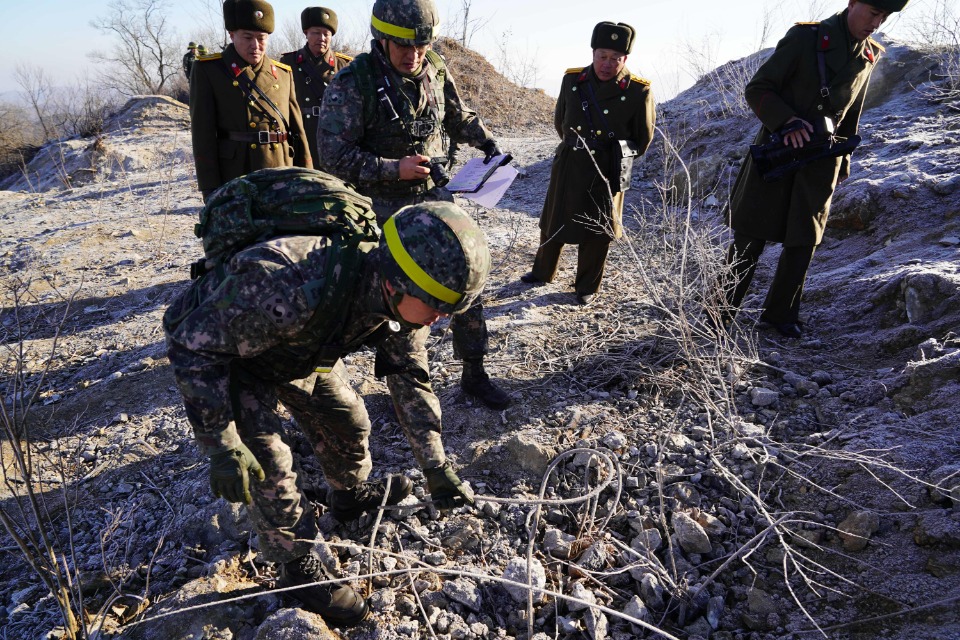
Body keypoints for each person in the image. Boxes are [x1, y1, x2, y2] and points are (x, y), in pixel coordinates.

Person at [164, 183, 487, 626]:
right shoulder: (287, 280)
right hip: (235, 361)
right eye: (436, 306)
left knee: (349, 422)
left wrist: (435, 465)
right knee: (271, 466)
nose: (441, 317)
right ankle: (295, 567)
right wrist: (220, 443)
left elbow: (410, 378)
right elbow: (189, 343)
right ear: (397, 283)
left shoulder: (403, 303)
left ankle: (348, 496)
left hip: (298, 352)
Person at [316, 0, 511, 410]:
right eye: (405, 46)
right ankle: (405, 389)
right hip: (380, 210)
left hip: (435, 200)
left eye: (422, 46)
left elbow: (457, 116)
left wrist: (487, 142)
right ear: (382, 40)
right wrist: (394, 169)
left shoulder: (434, 68)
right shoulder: (355, 82)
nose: (414, 55)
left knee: (467, 282)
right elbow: (333, 155)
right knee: (401, 304)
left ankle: (474, 372)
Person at [721, 0, 907, 338]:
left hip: (821, 160)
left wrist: (843, 160)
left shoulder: (869, 54)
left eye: (883, 17)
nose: (876, 23)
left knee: (803, 240)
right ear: (852, 3)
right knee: (750, 237)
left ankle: (781, 315)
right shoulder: (806, 38)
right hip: (778, 150)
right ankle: (720, 311)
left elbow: (851, 114)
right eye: (872, 13)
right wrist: (786, 121)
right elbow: (758, 88)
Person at [520, 22, 655, 306]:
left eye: (615, 58)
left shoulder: (638, 91)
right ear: (593, 53)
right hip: (571, 160)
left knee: (598, 228)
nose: (607, 64)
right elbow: (561, 121)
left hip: (606, 167)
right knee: (554, 217)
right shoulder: (573, 80)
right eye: (602, 56)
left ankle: (586, 286)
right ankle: (543, 271)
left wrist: (612, 154)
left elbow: (642, 139)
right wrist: (578, 147)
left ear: (625, 59)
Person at [189, 0, 311, 202]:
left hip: (281, 169)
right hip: (236, 173)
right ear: (232, 35)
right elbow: (203, 135)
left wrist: (307, 175)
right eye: (247, 37)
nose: (255, 45)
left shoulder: (283, 73)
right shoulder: (210, 70)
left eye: (261, 38)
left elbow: (297, 131)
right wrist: (209, 187)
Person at [280, 7, 352, 170]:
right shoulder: (288, 63)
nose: (322, 38)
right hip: (303, 134)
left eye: (326, 34)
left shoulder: (344, 65)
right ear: (306, 33)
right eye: (316, 33)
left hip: (335, 134)